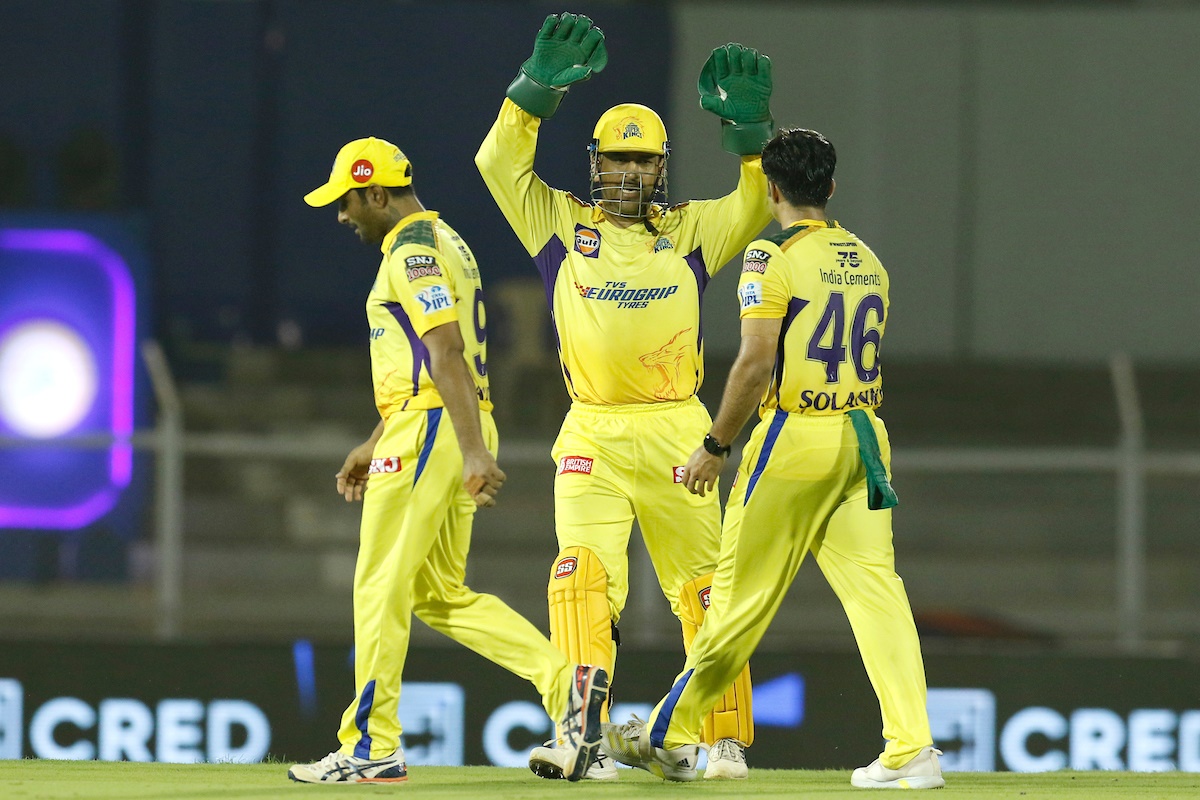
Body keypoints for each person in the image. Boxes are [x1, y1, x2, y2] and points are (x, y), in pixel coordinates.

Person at [476, 11, 775, 782]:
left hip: (680, 429)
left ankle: (724, 738)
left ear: (661, 168)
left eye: (643, 162)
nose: (629, 174)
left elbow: (756, 196)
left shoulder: (691, 232)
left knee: (706, 590)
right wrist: (534, 92)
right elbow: (497, 163)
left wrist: (750, 131)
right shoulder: (558, 224)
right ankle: (581, 736)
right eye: (616, 159)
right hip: (592, 434)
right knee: (579, 576)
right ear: (595, 162)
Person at [599, 127, 945, 789]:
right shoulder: (867, 257)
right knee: (878, 596)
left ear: (774, 189)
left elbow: (756, 363)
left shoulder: (770, 255)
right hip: (864, 438)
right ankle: (913, 747)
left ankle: (668, 734)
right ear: (832, 188)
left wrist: (714, 445)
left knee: (735, 599)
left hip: (797, 434)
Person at [287, 137, 607, 784]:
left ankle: (372, 746)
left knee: (379, 586)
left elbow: (446, 351)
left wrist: (472, 451)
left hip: (433, 430)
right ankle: (564, 685)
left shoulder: (412, 253)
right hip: (428, 424)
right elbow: (429, 358)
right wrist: (377, 438)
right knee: (439, 593)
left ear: (377, 193)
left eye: (348, 201)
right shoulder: (447, 241)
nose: (342, 215)